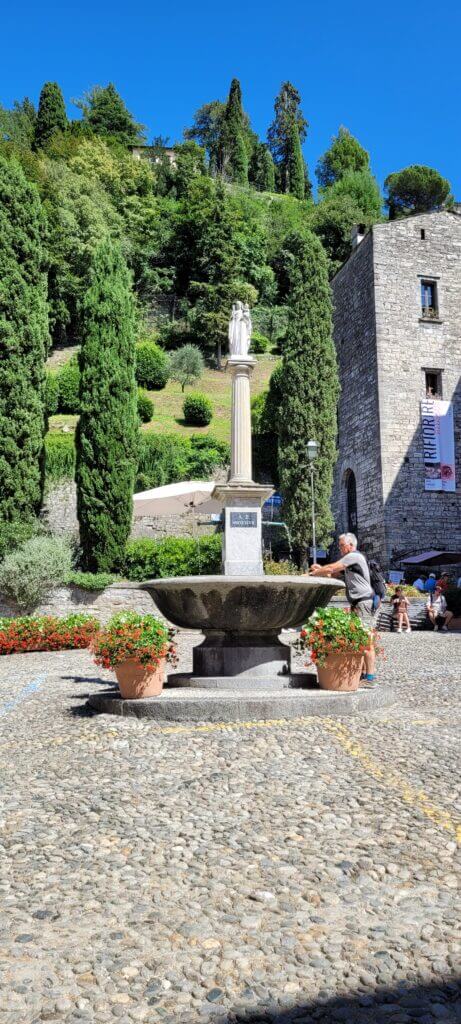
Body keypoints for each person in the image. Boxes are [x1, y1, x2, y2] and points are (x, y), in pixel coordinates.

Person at [309, 532, 377, 686]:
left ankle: (370, 678)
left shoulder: (354, 556)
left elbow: (333, 567)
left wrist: (315, 572)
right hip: (357, 604)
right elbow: (333, 573)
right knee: (360, 640)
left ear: (351, 545)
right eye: (339, 546)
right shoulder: (350, 563)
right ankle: (364, 675)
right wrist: (321, 569)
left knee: (366, 642)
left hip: (363, 603)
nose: (340, 549)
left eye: (341, 546)